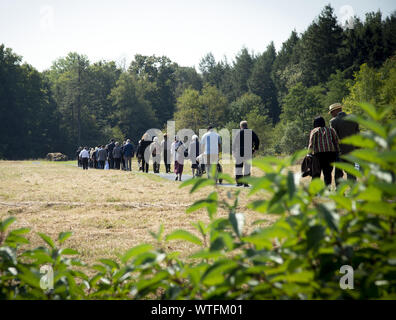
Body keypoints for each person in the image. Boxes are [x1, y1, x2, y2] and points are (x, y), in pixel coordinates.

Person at [329, 103, 360, 185]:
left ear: (336, 111)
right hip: (352, 150)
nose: (331, 114)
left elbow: (333, 137)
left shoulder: (333, 121)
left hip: (340, 151)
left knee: (339, 173)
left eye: (332, 112)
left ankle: (339, 191)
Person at [308, 116, 340, 187]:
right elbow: (336, 142)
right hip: (330, 155)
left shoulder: (314, 131)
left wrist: (309, 154)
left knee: (316, 174)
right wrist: (337, 152)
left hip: (318, 155)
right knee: (327, 173)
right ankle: (327, 189)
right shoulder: (331, 130)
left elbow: (311, 144)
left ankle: (315, 191)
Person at [232, 120, 260, 187]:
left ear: (241, 126)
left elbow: (234, 142)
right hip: (248, 151)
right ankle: (246, 183)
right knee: (247, 167)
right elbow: (257, 140)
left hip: (239, 151)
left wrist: (233, 151)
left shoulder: (239, 132)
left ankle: (239, 182)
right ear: (247, 125)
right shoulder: (251, 132)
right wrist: (255, 149)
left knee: (238, 167)